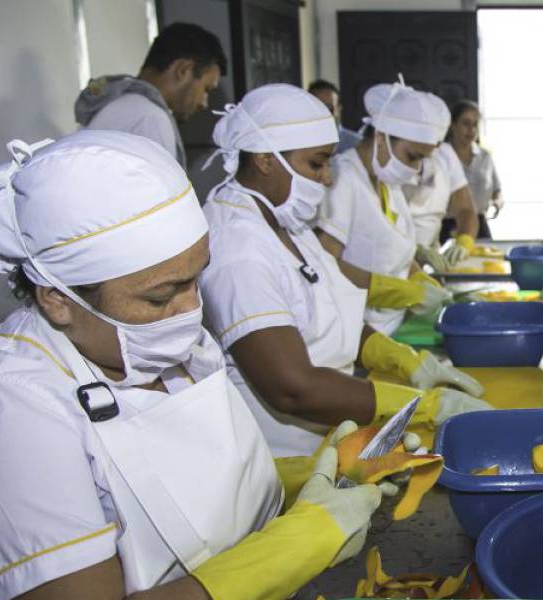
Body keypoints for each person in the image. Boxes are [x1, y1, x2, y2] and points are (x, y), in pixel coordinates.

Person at [0, 131, 385, 600]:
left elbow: (180, 490)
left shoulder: (160, 344)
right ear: (58, 299)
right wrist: (303, 540)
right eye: (161, 295)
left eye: (195, 279)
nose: (191, 309)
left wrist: (308, 472)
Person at [199, 84, 490, 457]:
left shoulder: (288, 224)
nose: (327, 178)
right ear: (265, 159)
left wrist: (403, 360)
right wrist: (421, 405)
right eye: (316, 164)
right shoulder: (237, 248)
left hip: (327, 436)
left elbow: (338, 308)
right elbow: (292, 387)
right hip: (281, 455)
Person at [316, 80, 456, 334]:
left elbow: (398, 255)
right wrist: (392, 291)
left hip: (394, 324)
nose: (415, 169)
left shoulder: (386, 181)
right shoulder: (342, 179)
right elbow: (325, 265)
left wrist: (420, 281)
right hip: (358, 332)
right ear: (381, 137)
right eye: (412, 157)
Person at [75, 22, 225, 168]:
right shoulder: (151, 119)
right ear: (184, 70)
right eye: (206, 89)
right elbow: (163, 192)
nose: (204, 103)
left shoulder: (121, 102)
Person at [403, 93, 481, 267]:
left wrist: (464, 241)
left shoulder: (445, 154)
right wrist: (413, 251)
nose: (431, 151)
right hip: (395, 258)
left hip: (432, 256)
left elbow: (466, 209)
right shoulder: (391, 162)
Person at [442, 99, 502, 241]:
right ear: (453, 124)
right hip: (448, 225)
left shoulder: (485, 156)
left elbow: (497, 190)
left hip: (480, 222)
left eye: (475, 124)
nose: (471, 130)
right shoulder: (441, 156)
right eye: (466, 124)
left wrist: (497, 203)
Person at [308, 79, 361, 154]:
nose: (324, 113)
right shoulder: (297, 144)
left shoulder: (357, 145)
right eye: (317, 107)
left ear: (338, 109)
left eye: (329, 107)